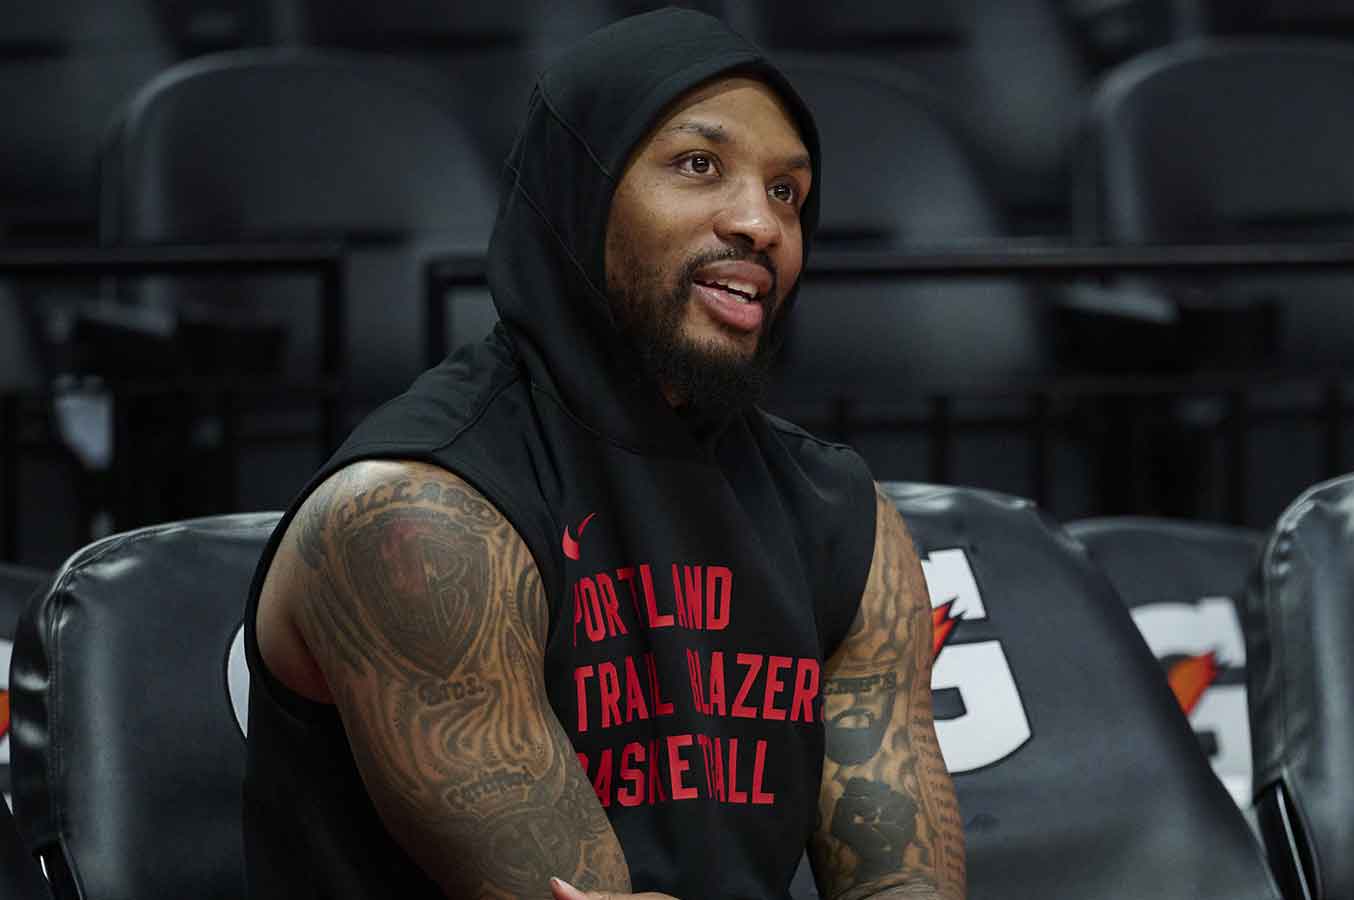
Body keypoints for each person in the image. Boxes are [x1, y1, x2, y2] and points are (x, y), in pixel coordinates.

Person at [240, 8, 965, 900]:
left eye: (788, 192)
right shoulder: (416, 517)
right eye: (700, 166)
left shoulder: (843, 517)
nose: (760, 223)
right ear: (577, 193)